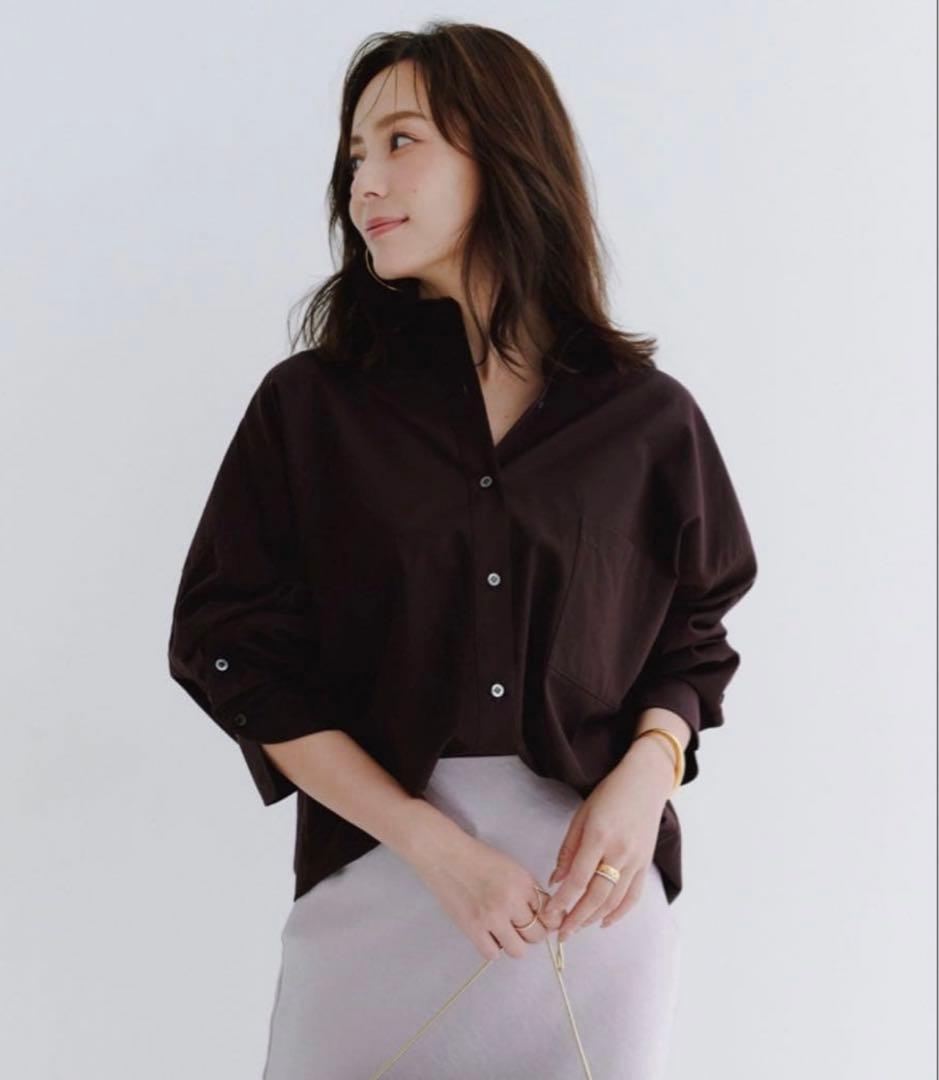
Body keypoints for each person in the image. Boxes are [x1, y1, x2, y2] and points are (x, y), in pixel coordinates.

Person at [167, 22, 758, 1080]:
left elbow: (693, 632)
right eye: (354, 154)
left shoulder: (644, 418)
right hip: (380, 882)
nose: (363, 183)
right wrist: (432, 846)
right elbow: (230, 647)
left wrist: (646, 776)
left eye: (401, 142)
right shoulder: (310, 410)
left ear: (505, 154)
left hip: (595, 905)